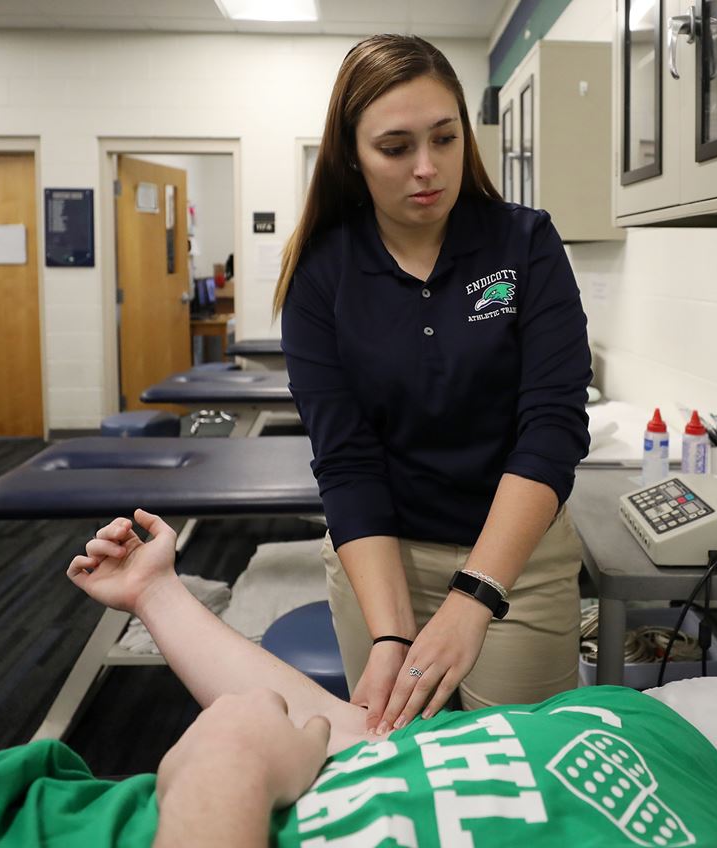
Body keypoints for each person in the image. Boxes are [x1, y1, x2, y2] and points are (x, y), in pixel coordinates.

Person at [0, 513, 717, 847]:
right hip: (27, 795)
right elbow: (349, 736)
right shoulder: (642, 729)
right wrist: (162, 597)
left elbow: (260, 745)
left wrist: (224, 766)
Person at [272, 33, 592, 735]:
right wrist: (391, 635)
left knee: (525, 772)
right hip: (383, 564)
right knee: (398, 767)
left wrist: (477, 593)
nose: (427, 168)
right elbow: (347, 461)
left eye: (445, 139)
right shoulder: (322, 276)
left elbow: (553, 427)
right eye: (395, 148)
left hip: (518, 564)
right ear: (351, 156)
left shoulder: (524, 244)